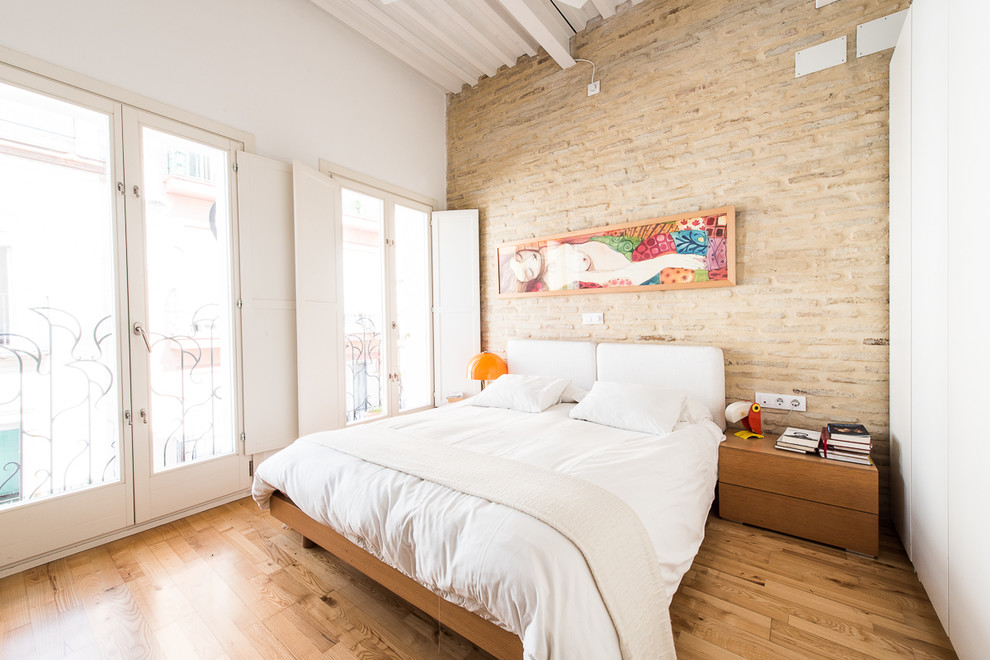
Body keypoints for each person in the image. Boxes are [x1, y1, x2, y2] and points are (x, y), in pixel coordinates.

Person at [506, 239, 705, 292]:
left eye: (520, 257)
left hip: (622, 251)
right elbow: (600, 278)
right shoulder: (555, 278)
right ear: (531, 280)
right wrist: (665, 261)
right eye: (528, 271)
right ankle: (668, 260)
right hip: (623, 266)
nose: (529, 261)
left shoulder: (547, 248)